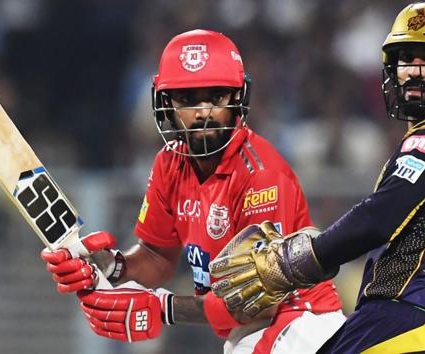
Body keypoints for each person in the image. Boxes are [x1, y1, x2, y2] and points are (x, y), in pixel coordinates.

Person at [41, 29, 344, 354]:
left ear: (238, 97)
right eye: (187, 99)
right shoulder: (168, 163)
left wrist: (163, 308)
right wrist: (114, 266)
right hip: (251, 333)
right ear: (166, 103)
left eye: (216, 96)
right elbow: (158, 257)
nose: (203, 112)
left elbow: (259, 301)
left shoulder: (261, 174)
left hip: (301, 326)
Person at [209, 2, 425, 353]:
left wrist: (293, 261)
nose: (416, 72)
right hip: (424, 331)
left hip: (403, 325)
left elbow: (379, 217)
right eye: (408, 59)